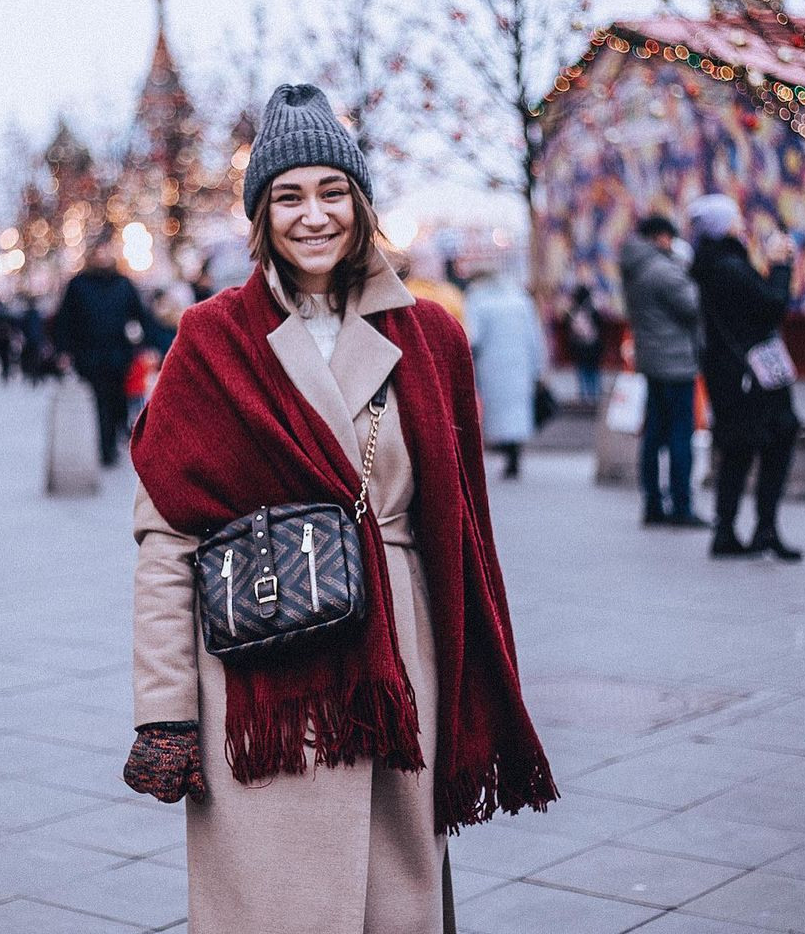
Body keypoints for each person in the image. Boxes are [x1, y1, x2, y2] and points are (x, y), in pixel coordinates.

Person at [123, 84, 556, 934]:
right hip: (261, 679)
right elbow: (166, 540)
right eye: (288, 195)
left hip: (399, 663)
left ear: (360, 205)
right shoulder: (212, 342)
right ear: (261, 215)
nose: (312, 216)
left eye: (332, 192)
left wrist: (471, 680)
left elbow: (462, 528)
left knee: (395, 903)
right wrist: (164, 710)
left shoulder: (428, 337)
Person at [689, 194, 802, 561]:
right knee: (775, 438)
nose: (742, 222)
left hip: (732, 373)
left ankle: (731, 529)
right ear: (723, 226)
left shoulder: (713, 264)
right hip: (752, 376)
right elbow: (771, 306)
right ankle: (762, 528)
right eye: (735, 217)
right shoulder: (729, 267)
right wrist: (781, 266)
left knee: (738, 449)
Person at [619, 215, 706, 527]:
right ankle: (681, 505)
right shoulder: (662, 269)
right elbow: (693, 305)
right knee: (681, 434)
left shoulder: (635, 266)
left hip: (652, 360)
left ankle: (653, 503)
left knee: (654, 434)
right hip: (675, 361)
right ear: (660, 237)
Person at [53, 231, 153, 466]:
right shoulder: (78, 285)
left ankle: (111, 440)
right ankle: (104, 448)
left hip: (119, 355)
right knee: (98, 402)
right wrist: (64, 350)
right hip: (88, 354)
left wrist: (146, 344)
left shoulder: (123, 284)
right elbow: (65, 320)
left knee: (117, 400)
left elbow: (141, 316)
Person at [464, 269, 547, 479]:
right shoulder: (521, 300)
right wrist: (538, 367)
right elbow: (534, 337)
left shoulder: (478, 300)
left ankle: (509, 454)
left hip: (492, 366)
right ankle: (514, 453)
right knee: (517, 411)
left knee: (499, 411)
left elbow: (474, 337)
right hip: (520, 365)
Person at [564, 284, 605, 405]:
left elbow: (567, 327)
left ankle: (584, 398)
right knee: (594, 373)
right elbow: (600, 326)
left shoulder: (572, 311)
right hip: (593, 348)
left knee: (582, 373)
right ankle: (596, 398)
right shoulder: (593, 310)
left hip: (579, 349)